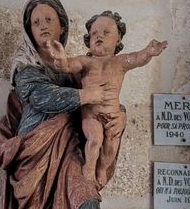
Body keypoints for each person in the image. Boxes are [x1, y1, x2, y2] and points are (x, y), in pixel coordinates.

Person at [0, 0, 126, 209]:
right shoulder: (25, 68)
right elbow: (41, 97)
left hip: (69, 153)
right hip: (33, 159)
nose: (42, 26)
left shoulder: (77, 69)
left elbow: (103, 102)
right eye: (36, 21)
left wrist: (116, 116)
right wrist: (84, 95)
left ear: (61, 27)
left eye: (49, 20)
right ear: (28, 28)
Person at [45, 11, 167, 187]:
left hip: (112, 116)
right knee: (95, 139)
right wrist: (60, 59)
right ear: (88, 39)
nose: (99, 36)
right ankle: (89, 167)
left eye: (106, 32)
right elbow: (68, 66)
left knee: (111, 146)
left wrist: (149, 51)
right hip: (91, 114)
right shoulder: (86, 62)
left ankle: (102, 168)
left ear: (118, 39)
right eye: (94, 33)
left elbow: (138, 58)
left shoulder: (120, 62)